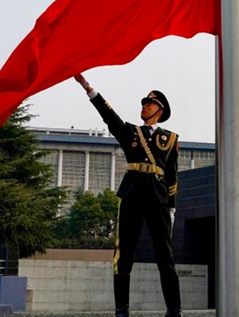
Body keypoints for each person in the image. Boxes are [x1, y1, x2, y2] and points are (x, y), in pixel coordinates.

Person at [73, 74, 182, 317]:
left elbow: (173, 179)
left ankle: (174, 309)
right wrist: (88, 88)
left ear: (160, 110)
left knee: (165, 255)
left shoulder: (170, 139)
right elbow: (108, 116)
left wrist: (172, 209)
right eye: (143, 102)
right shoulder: (131, 132)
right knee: (123, 254)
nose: (144, 105)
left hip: (157, 198)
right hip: (131, 195)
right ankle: (121, 310)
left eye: (149, 103)